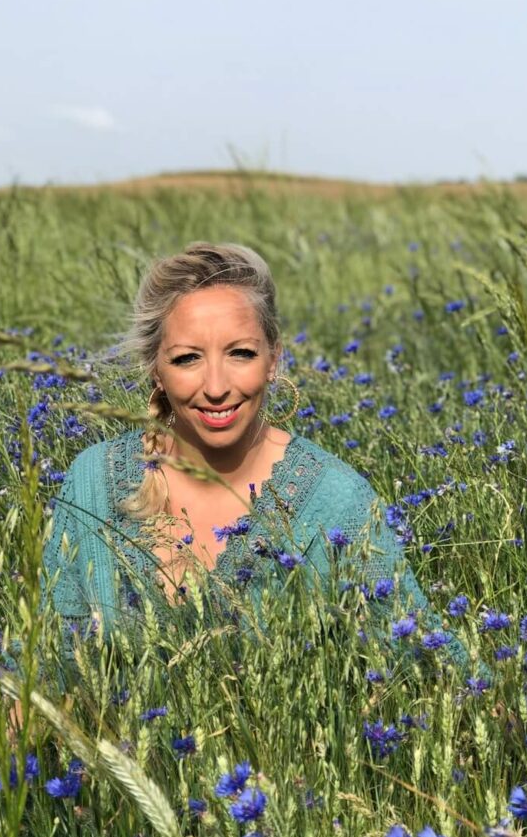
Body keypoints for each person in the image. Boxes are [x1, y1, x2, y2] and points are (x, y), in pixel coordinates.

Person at [41, 242, 471, 681]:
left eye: (240, 353)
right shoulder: (91, 483)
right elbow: (47, 666)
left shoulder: (338, 502)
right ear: (157, 368)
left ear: (273, 358)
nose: (215, 387)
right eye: (187, 358)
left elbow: (434, 666)